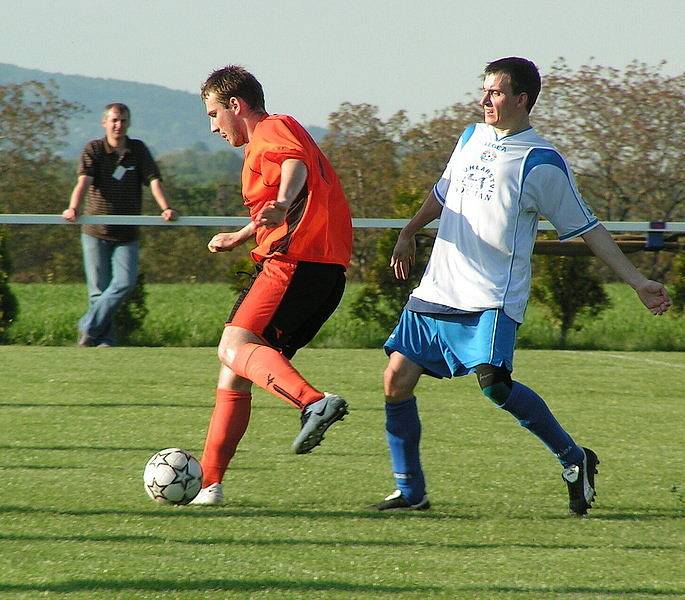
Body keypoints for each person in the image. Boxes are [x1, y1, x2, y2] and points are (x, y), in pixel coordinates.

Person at [370, 57, 672, 516]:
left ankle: (574, 459)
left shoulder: (542, 162)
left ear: (521, 99)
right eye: (485, 90)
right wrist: (409, 231)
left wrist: (636, 281)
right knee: (395, 380)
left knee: (494, 386)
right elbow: (442, 192)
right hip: (436, 289)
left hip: (491, 297)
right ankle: (411, 492)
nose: (484, 99)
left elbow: (588, 228)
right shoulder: (470, 137)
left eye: (494, 92)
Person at [190, 65, 353, 505]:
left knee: (231, 346)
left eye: (213, 114)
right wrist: (240, 235)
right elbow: (285, 197)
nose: (213, 127)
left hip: (293, 263)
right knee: (236, 368)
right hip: (322, 270)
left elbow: (294, 170)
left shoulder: (271, 128)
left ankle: (312, 402)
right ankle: (209, 483)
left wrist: (280, 204)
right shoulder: (275, 137)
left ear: (235, 106)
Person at [63, 103, 176, 347]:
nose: (118, 125)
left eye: (123, 120)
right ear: (104, 122)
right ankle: (106, 340)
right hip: (95, 231)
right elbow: (83, 182)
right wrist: (73, 208)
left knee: (124, 283)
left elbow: (154, 181)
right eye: (114, 120)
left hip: (126, 233)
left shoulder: (137, 149)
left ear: (128, 123)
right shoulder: (94, 149)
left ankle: (87, 326)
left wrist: (165, 208)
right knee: (98, 290)